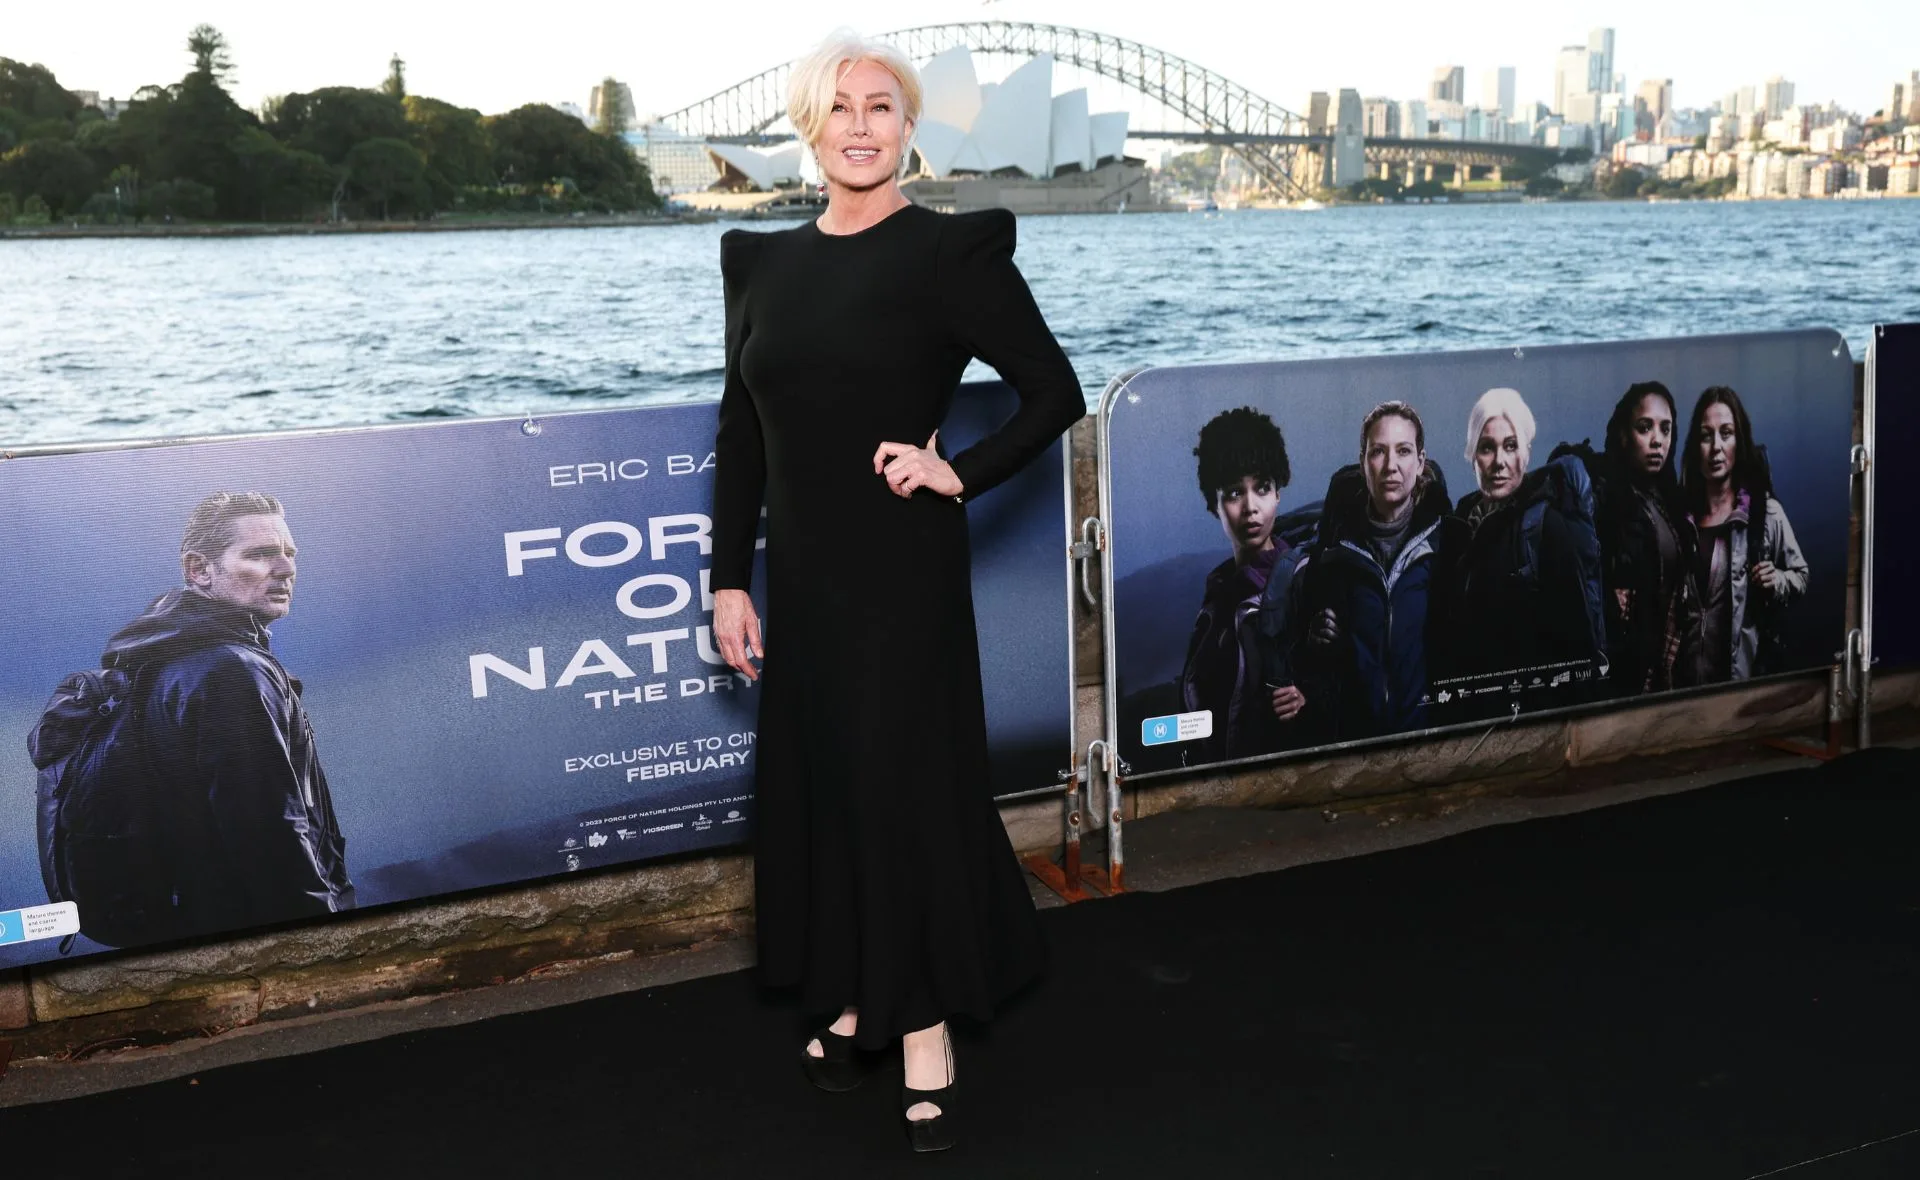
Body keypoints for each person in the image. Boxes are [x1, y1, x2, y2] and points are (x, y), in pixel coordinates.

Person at [706, 32, 1082, 1153]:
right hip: (805, 578)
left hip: (901, 571)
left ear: (909, 126)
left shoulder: (948, 255)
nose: (861, 126)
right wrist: (729, 577)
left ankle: (923, 1024)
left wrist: (954, 470)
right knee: (827, 787)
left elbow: (1051, 390)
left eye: (882, 107)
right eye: (840, 108)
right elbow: (741, 436)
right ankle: (859, 990)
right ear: (808, 127)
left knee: (898, 787)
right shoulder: (759, 264)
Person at [38, 491, 353, 944]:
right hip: (245, 927)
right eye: (261, 555)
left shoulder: (162, 658)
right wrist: (327, 937)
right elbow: (270, 834)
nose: (285, 569)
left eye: (289, 554)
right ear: (198, 569)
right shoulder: (231, 672)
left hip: (191, 925)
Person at [1300, 401, 1461, 741]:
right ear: (1363, 463)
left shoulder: (1452, 545)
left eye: (1403, 451)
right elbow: (1309, 648)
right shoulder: (1333, 553)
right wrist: (1315, 638)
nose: (1391, 466)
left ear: (1420, 463)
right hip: (1355, 746)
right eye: (1378, 452)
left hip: (1432, 742)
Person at [1444, 389, 1607, 716]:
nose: (1499, 462)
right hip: (1473, 717)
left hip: (1534, 717)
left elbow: (1577, 647)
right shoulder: (1459, 526)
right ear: (1472, 455)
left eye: (1510, 445)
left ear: (1527, 454)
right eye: (1487, 448)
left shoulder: (1548, 528)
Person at [1176, 407, 1310, 762]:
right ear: (1213, 505)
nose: (1251, 507)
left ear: (1278, 493)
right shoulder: (1217, 597)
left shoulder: (1305, 582)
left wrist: (1308, 696)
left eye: (1262, 488)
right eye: (1234, 493)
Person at [1557, 381, 1698, 696]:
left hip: (1666, 664)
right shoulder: (1603, 495)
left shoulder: (1668, 501)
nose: (1657, 441)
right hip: (1623, 668)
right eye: (1645, 428)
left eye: (1665, 429)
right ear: (1623, 434)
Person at [1678, 385, 1809, 682]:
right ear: (1694, 445)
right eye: (1705, 435)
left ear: (1740, 440)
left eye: (1726, 433)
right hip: (1680, 688)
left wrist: (1776, 579)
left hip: (1738, 683)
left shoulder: (1765, 514)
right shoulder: (1680, 519)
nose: (1716, 447)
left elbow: (1801, 575)